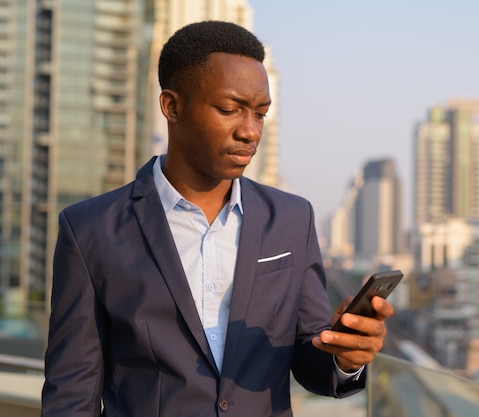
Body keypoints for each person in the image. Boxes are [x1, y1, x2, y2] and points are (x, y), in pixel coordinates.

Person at [41, 20, 394, 417]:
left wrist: (345, 358)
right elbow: (72, 393)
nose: (250, 131)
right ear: (172, 106)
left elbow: (309, 359)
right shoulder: (89, 229)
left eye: (260, 114)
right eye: (230, 109)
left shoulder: (293, 219)